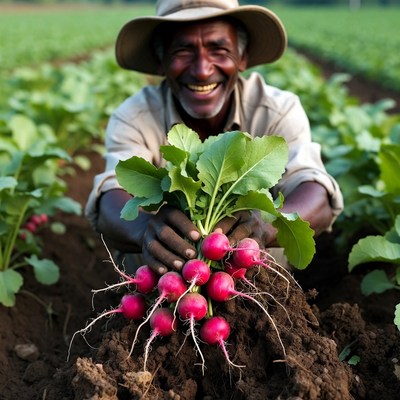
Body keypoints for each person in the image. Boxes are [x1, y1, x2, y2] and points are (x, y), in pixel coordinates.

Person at [85, 0, 343, 275]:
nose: (202, 70)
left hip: (256, 286)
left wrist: (263, 228)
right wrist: (144, 230)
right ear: (161, 61)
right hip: (162, 291)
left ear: (242, 57)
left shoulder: (278, 110)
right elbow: (110, 195)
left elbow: (316, 192)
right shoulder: (134, 116)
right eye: (183, 51)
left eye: (218, 50)